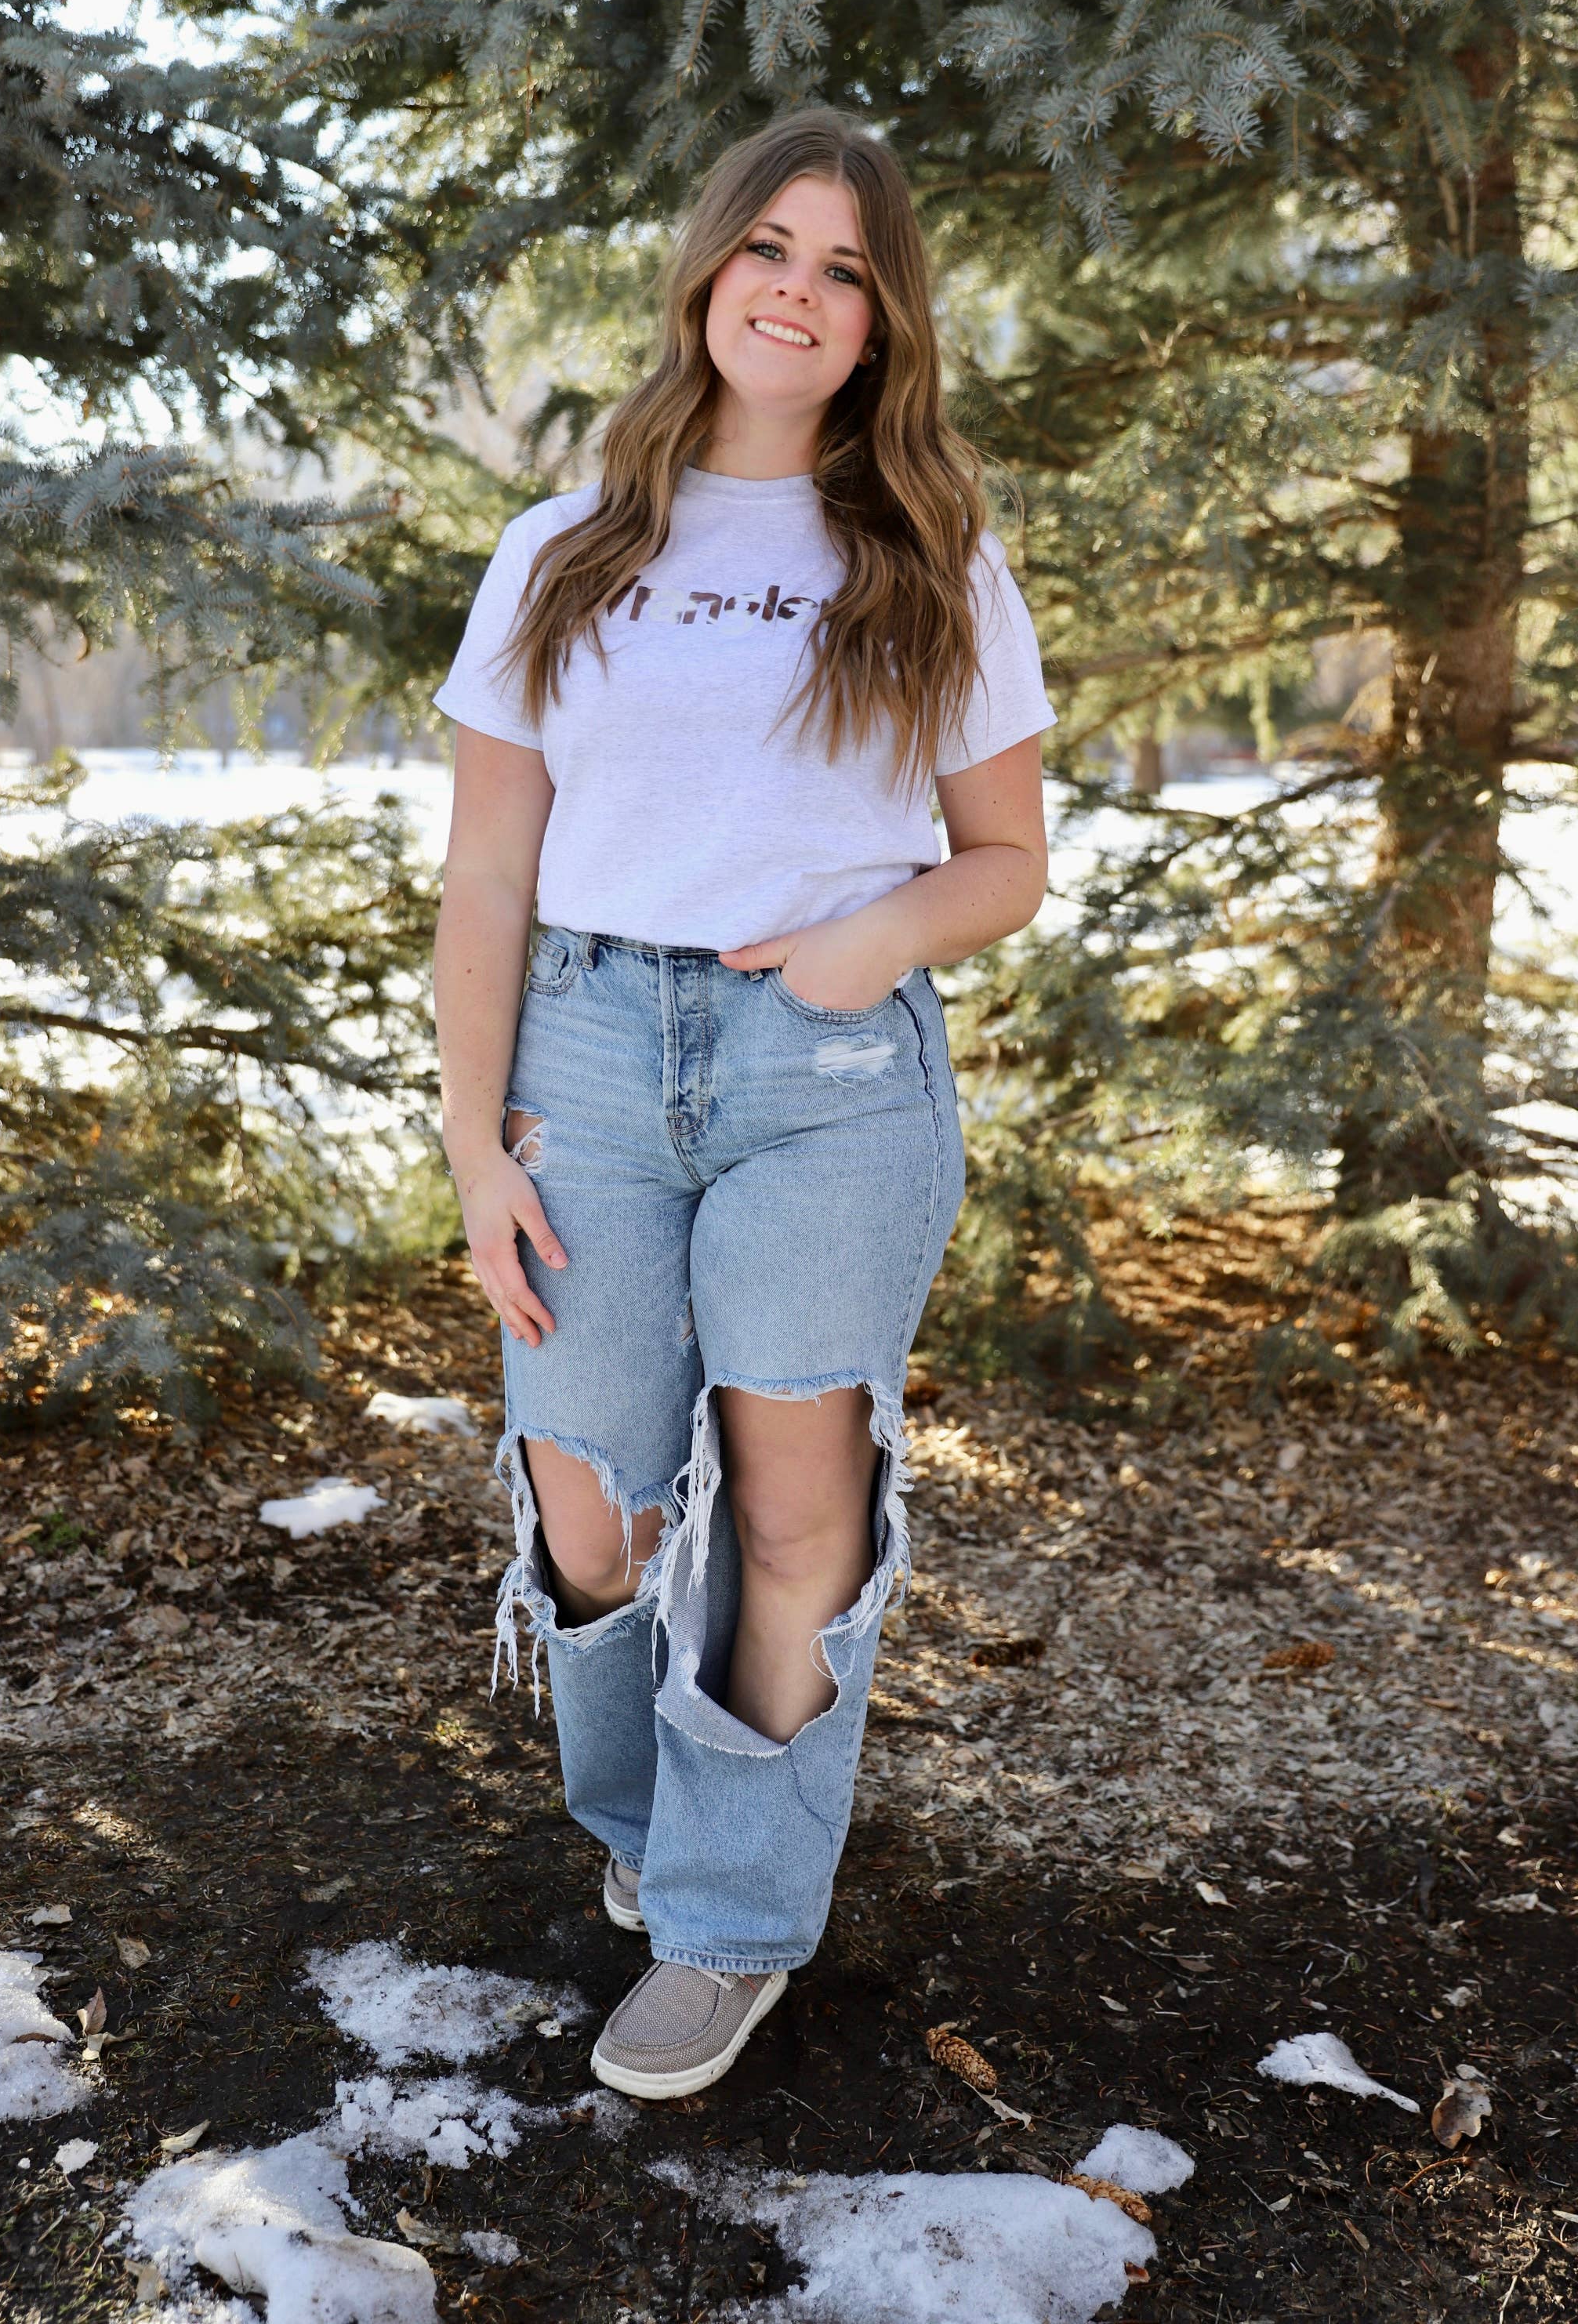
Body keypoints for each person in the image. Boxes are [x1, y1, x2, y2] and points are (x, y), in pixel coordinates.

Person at [431, 106, 1052, 2101]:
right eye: (770, 247)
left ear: (879, 322)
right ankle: (641, 1835)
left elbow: (1002, 856)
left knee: (797, 1510)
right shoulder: (562, 550)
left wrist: (867, 946)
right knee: (587, 1499)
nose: (799, 289)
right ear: (710, 272)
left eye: (845, 266)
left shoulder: (928, 552)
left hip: (829, 1078)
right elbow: (486, 878)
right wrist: (466, 1140)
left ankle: (726, 1927)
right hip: (585, 1063)